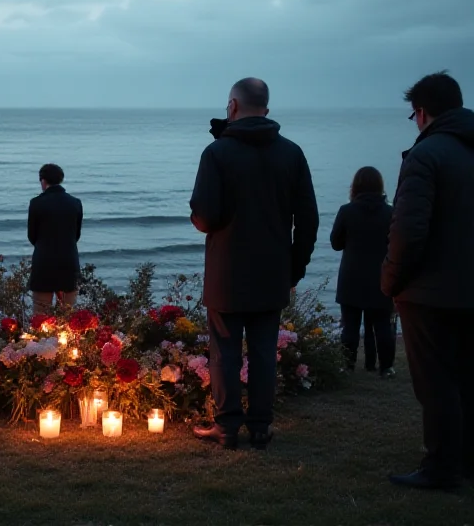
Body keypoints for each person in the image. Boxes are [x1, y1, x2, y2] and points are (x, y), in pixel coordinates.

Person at [189, 78, 319, 450]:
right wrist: (295, 268)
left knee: (224, 350)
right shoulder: (291, 153)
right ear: (266, 108)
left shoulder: (217, 154)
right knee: (264, 350)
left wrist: (199, 216)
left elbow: (205, 217)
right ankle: (260, 426)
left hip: (227, 273)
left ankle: (227, 426)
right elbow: (308, 219)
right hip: (272, 271)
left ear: (232, 106)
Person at [382, 71, 474, 490]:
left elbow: (409, 230)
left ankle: (441, 468)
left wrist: (391, 280)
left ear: (421, 112)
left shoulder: (426, 155)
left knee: (436, 382)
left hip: (430, 292)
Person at [330, 166, 396, 377]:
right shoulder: (391, 213)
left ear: (355, 187)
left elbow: (335, 243)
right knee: (382, 325)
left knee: (349, 325)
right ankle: (386, 367)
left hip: (352, 276)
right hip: (381, 276)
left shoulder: (346, 211)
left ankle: (347, 365)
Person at [28, 164, 84, 315]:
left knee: (41, 314)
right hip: (68, 261)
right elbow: (76, 235)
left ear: (43, 181)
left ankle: (41, 339)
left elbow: (32, 236)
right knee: (67, 315)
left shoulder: (36, 203)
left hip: (44, 262)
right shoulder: (75, 203)